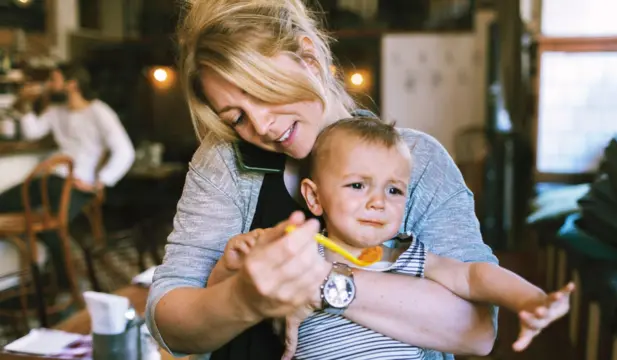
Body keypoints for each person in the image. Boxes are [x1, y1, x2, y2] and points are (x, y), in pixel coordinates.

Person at [147, 1, 499, 359]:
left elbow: (478, 330)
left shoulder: (418, 160)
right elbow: (168, 320)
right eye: (237, 117)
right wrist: (243, 298)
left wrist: (321, 282)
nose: (261, 126)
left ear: (309, 57)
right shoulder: (224, 161)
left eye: (263, 93)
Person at [209, 118, 575, 359]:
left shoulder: (405, 254)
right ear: (314, 197)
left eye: (394, 191)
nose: (378, 201)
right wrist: (231, 265)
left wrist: (530, 299)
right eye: (357, 185)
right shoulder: (300, 252)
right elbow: (227, 301)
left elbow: (472, 276)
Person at [0, 63, 135, 286]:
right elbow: (32, 131)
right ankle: (45, 279)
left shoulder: (99, 111)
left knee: (52, 225)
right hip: (50, 179)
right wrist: (24, 102)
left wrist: (100, 182)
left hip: (80, 184)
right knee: (6, 204)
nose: (49, 85)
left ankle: (63, 287)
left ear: (72, 84)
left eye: (54, 80)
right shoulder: (56, 112)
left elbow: (125, 151)